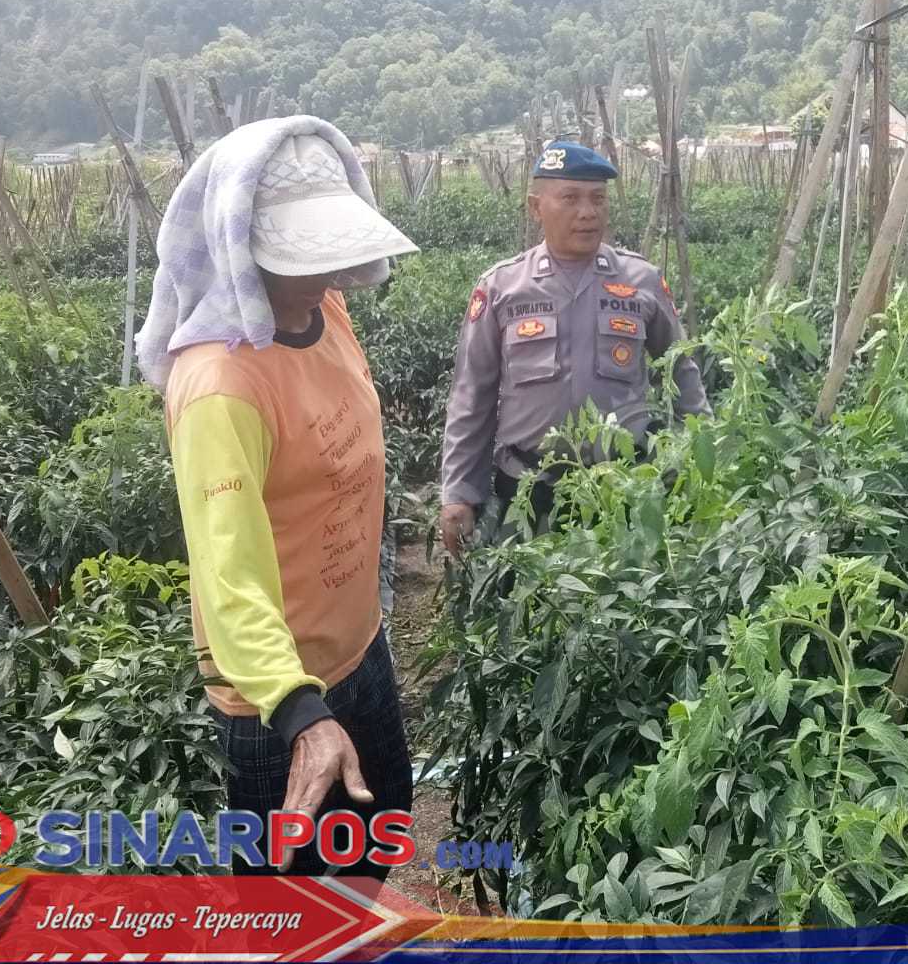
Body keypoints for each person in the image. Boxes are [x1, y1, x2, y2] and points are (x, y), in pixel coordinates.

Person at [136, 116, 420, 875]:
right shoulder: (222, 387)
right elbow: (227, 575)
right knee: (284, 908)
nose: (324, 280)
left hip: (360, 648)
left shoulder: (324, 312)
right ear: (238, 247)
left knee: (378, 840)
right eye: (301, 260)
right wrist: (300, 713)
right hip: (275, 704)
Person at [439, 140, 710, 558]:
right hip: (528, 491)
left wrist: (697, 464)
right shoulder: (502, 288)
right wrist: (459, 491)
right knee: (531, 610)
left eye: (598, 199)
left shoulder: (641, 280)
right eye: (570, 198)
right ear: (536, 207)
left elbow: (682, 375)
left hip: (624, 488)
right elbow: (471, 396)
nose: (587, 212)